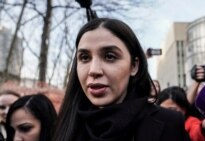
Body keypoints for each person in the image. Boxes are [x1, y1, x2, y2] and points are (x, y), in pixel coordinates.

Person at [53, 18, 190, 141]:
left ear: (134, 66)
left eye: (110, 56)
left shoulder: (169, 123)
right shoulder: (63, 124)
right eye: (84, 58)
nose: (94, 70)